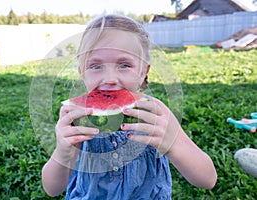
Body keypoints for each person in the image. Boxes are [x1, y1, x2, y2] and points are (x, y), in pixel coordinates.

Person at [41, 14, 217, 199]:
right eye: (95, 66)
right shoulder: (78, 116)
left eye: (124, 65)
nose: (109, 79)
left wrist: (172, 145)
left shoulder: (155, 113)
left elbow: (207, 179)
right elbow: (52, 189)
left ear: (143, 72)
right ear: (82, 72)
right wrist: (63, 152)